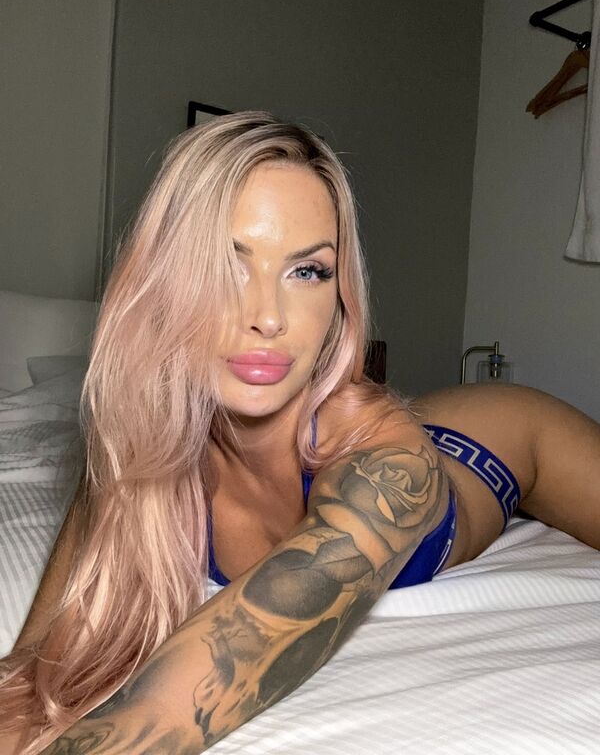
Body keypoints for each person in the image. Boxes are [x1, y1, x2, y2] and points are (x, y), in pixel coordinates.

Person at [1, 111, 599, 755]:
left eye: (307, 271)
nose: (268, 317)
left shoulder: (387, 473)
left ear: (339, 298)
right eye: (227, 265)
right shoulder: (136, 451)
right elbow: (29, 676)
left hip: (502, 440)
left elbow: (174, 707)